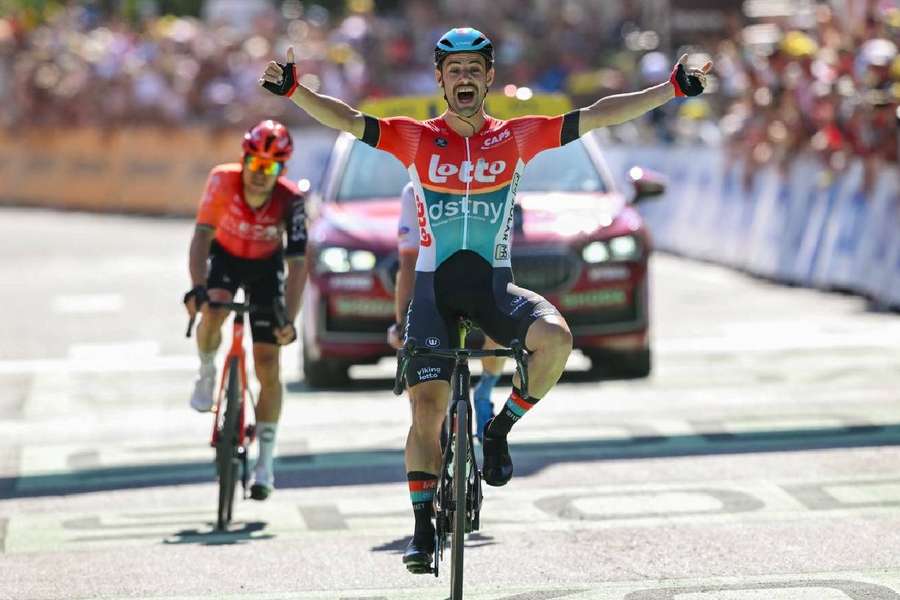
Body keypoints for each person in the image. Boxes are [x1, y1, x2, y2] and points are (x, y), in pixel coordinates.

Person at [259, 27, 710, 572]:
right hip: (433, 294)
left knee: (558, 341)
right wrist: (295, 92)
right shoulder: (415, 138)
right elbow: (347, 120)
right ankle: (423, 529)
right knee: (426, 412)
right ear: (440, 81)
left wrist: (671, 90)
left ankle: (497, 430)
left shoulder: (517, 137)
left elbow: (601, 114)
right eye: (455, 71)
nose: (465, 78)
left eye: (475, 69)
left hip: (494, 289)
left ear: (490, 77)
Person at [183, 119, 308, 501]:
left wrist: (289, 316)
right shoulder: (222, 181)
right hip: (226, 259)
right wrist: (197, 287)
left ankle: (265, 463)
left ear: (281, 170)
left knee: (268, 363)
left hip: (266, 270)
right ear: (245, 160)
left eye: (270, 168)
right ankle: (207, 371)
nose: (259, 174)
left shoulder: (292, 200)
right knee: (214, 311)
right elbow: (202, 236)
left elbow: (299, 263)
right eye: (254, 164)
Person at [388, 181, 504, 441]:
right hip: (435, 292)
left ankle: (485, 392)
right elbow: (408, 262)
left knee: (501, 328)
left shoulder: (491, 179)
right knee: (421, 381)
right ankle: (431, 435)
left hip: (479, 284)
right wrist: (401, 322)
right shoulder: (413, 191)